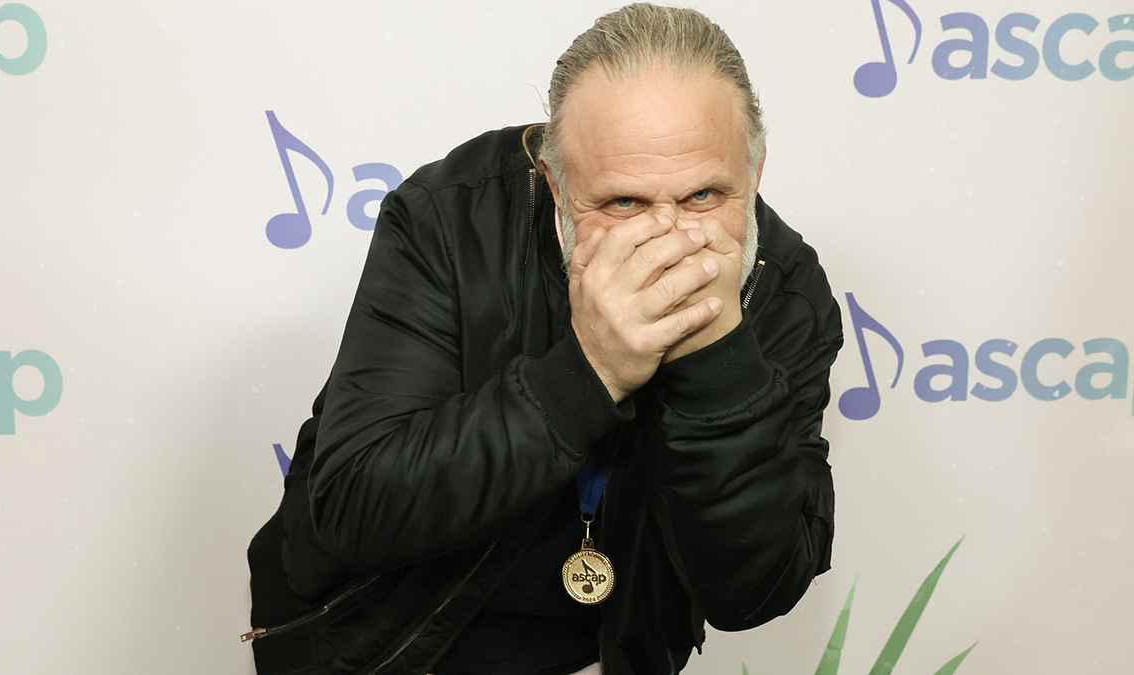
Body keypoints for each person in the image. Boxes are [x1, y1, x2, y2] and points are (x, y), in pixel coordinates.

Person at [245, 4, 843, 674]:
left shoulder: (785, 291)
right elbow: (355, 506)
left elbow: (753, 589)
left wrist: (718, 359)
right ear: (556, 184)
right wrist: (588, 375)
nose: (670, 242)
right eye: (623, 204)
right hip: (376, 644)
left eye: (705, 195)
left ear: (755, 174)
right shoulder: (448, 219)